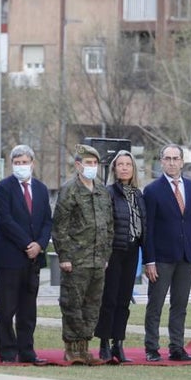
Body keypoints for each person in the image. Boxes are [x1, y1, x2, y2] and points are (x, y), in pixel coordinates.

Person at [51, 144, 113, 365]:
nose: (92, 167)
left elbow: (109, 224)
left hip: (97, 260)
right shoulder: (70, 190)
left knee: (92, 305)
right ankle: (72, 349)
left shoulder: (102, 190)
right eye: (88, 163)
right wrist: (65, 256)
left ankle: (85, 349)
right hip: (76, 260)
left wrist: (105, 255)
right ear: (78, 165)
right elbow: (60, 227)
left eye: (95, 164)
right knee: (72, 304)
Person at [0, 144, 52, 365]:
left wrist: (40, 244)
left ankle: (27, 350)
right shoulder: (3, 188)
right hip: (9, 257)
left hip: (33, 259)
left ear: (32, 164)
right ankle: (7, 352)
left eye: (24, 162)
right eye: (17, 163)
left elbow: (47, 221)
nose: (21, 166)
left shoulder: (42, 189)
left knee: (28, 309)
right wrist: (27, 243)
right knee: (7, 309)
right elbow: (4, 220)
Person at [141, 143, 191, 362]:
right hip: (162, 258)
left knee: (180, 305)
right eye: (168, 158)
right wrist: (149, 260)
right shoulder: (152, 190)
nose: (172, 162)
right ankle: (151, 348)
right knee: (155, 304)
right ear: (161, 161)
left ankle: (177, 348)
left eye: (176, 158)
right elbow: (147, 229)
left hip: (186, 257)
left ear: (182, 161)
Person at [93, 149, 146, 364]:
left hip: (132, 251)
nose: (124, 167)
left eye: (128, 164)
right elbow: (104, 224)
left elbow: (143, 223)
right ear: (114, 168)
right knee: (110, 298)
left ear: (133, 168)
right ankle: (104, 343)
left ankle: (119, 343)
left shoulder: (138, 194)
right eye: (120, 164)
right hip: (114, 251)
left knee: (124, 300)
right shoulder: (108, 192)